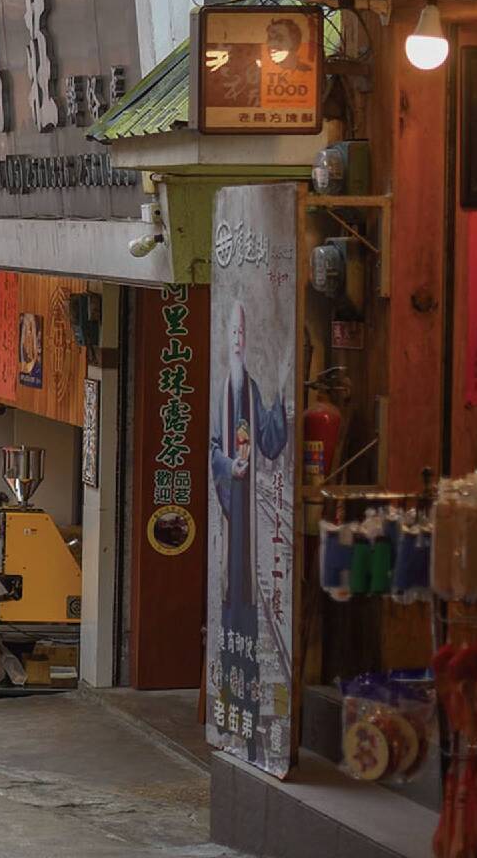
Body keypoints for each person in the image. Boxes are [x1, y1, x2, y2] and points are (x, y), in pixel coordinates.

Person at [209, 301, 290, 761]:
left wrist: (280, 391)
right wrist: (229, 465)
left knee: (246, 607)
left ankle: (249, 717)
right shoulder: (224, 388)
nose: (238, 339)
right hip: (230, 518)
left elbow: (271, 443)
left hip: (247, 527)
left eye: (242, 332)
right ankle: (235, 712)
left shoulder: (250, 387)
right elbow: (215, 450)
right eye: (233, 333)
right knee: (230, 601)